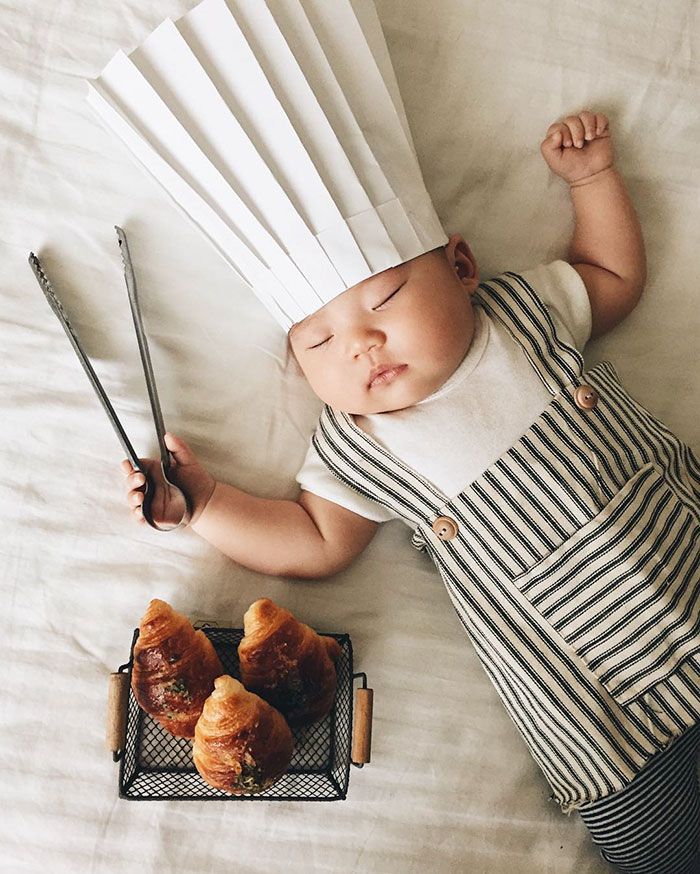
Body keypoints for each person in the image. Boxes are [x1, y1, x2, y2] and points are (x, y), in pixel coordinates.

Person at [121, 111, 700, 873]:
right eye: (320, 341)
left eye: (386, 297)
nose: (360, 342)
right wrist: (203, 504)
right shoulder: (357, 442)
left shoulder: (525, 312)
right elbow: (314, 541)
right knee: (662, 846)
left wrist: (592, 181)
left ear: (462, 267)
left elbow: (615, 277)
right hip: (601, 706)